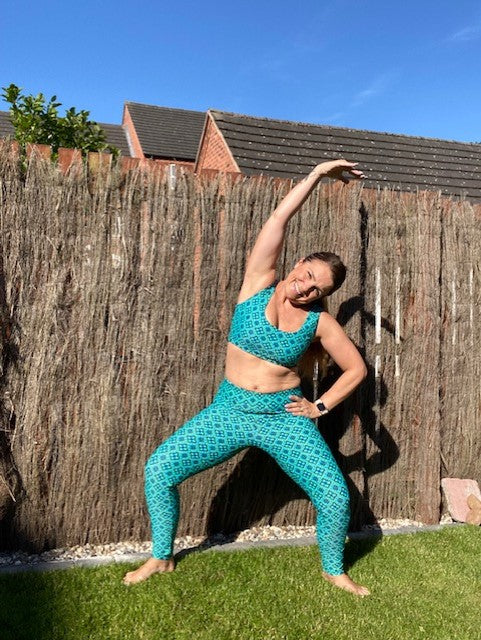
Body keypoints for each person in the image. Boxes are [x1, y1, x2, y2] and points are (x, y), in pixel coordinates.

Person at [123, 159, 370, 596]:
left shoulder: (319, 323)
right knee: (159, 469)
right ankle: (161, 557)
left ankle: (334, 569)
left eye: (319, 289)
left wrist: (319, 406)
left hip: (283, 417)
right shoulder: (257, 284)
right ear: (298, 263)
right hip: (230, 411)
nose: (307, 287)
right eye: (308, 274)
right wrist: (315, 174)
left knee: (334, 495)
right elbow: (279, 218)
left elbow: (357, 370)